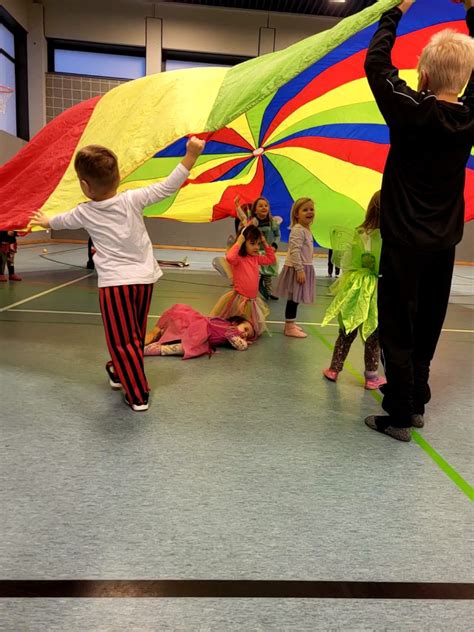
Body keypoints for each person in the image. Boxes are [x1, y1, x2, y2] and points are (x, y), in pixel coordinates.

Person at [363, 0, 474, 441]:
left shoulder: (409, 108)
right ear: (465, 78)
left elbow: (375, 63)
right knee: (429, 321)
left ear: (423, 75)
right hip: (444, 243)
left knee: (397, 325)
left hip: (403, 242)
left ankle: (400, 415)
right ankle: (418, 401)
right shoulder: (469, 116)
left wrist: (396, 8)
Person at [31, 137, 205, 412]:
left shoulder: (84, 212)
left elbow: (60, 222)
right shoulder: (132, 199)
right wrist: (190, 156)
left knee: (121, 340)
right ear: (119, 176)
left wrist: (46, 221)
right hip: (144, 280)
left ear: (85, 186)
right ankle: (117, 370)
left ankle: (138, 394)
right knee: (133, 334)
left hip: (116, 285)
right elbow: (167, 186)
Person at [322, 191, 386, 390]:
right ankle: (371, 376)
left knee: (347, 329)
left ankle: (334, 369)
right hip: (376, 287)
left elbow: (346, 261)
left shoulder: (359, 233)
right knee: (372, 333)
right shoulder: (388, 236)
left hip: (355, 284)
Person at [210, 223, 276, 338]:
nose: (256, 247)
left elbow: (271, 259)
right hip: (239, 299)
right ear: (244, 244)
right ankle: (230, 334)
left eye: (258, 244)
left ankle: (238, 335)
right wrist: (239, 242)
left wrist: (265, 243)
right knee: (233, 321)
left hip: (252, 301)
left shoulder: (255, 258)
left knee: (248, 326)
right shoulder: (239, 259)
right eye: (252, 243)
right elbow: (230, 258)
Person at [144, 303, 254, 359]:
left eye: (246, 336)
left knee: (176, 335)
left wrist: (243, 338)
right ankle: (157, 349)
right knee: (192, 348)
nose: (244, 334)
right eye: (245, 329)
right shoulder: (231, 330)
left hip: (198, 328)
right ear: (235, 323)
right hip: (201, 331)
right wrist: (244, 342)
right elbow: (241, 346)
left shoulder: (225, 326)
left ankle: (158, 338)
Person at [275, 197, 316, 338]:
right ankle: (289, 327)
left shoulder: (305, 229)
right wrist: (299, 269)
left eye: (311, 209)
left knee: (295, 298)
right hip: (297, 268)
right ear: (297, 214)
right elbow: (295, 250)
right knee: (293, 298)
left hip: (303, 267)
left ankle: (290, 324)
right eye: (305, 210)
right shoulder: (298, 230)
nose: (309, 212)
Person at [246, 196, 281, 301]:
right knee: (254, 274)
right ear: (255, 210)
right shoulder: (253, 222)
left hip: (267, 252)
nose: (264, 208)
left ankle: (269, 293)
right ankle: (252, 292)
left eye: (266, 206)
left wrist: (274, 245)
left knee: (267, 275)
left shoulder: (272, 222)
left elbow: (277, 235)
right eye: (260, 206)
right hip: (255, 253)